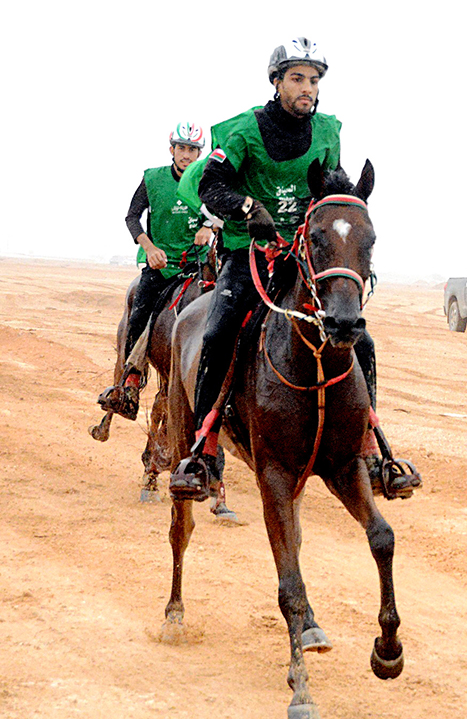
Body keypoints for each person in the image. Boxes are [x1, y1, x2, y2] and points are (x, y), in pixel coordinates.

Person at [169, 37, 412, 501]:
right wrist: (246, 206)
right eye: (297, 78)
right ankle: (204, 450)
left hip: (305, 254)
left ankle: (372, 449)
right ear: (276, 81)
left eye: (314, 80)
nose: (307, 88)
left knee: (361, 339)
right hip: (250, 255)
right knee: (219, 332)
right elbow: (209, 182)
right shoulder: (243, 130)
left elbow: (332, 187)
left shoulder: (327, 132)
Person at [98, 123, 214, 419]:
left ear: (200, 153)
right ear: (172, 149)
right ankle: (129, 384)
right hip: (161, 266)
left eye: (192, 150)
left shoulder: (208, 178)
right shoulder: (153, 179)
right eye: (182, 148)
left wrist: (208, 225)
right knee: (139, 312)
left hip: (198, 264)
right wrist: (149, 248)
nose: (187, 155)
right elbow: (132, 217)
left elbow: (224, 212)